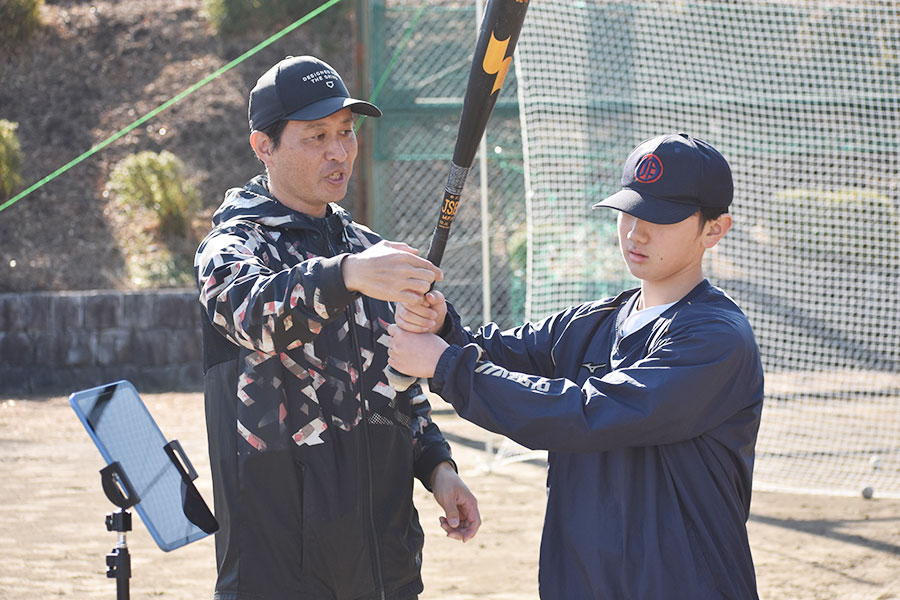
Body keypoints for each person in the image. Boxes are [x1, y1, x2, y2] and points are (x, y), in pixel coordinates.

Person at [387, 133, 765, 599]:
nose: (636, 232)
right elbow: (495, 354)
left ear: (714, 229)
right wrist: (443, 326)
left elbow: (588, 414)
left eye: (660, 218)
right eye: (629, 212)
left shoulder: (715, 337)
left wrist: (446, 364)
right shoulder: (593, 322)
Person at [195, 55, 480, 600]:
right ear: (264, 147)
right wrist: (350, 275)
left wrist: (440, 469)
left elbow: (398, 389)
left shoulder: (368, 250)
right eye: (316, 135)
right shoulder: (231, 249)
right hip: (279, 572)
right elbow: (259, 315)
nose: (339, 151)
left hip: (384, 565)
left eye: (346, 133)